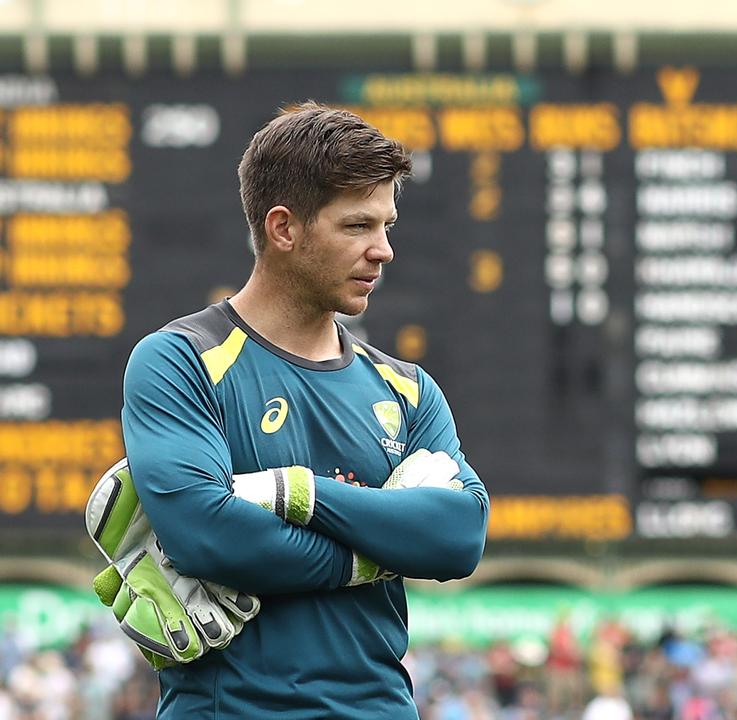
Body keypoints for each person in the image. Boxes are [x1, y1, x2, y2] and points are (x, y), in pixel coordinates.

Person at [116, 102, 488, 717]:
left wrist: (299, 495)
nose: (383, 250)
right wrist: (381, 546)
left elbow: (458, 536)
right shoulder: (179, 360)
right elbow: (208, 537)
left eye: (387, 225)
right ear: (283, 228)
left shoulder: (409, 389)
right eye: (357, 227)